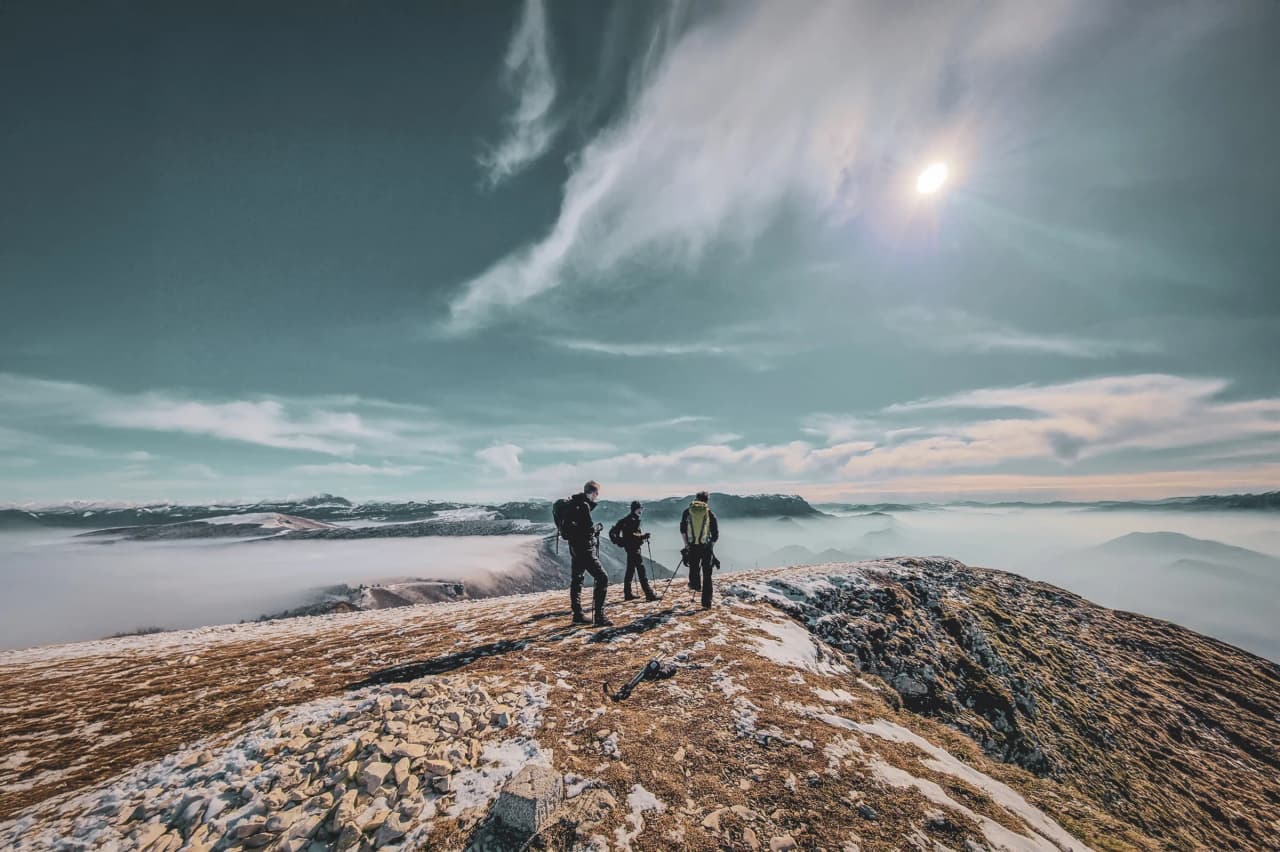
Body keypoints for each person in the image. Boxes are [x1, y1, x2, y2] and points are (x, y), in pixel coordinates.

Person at [562, 480, 612, 626]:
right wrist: (597, 528)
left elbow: (577, 528)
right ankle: (599, 616)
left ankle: (577, 614)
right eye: (597, 493)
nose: (597, 497)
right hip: (584, 549)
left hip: (574, 548)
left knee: (577, 579)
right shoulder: (583, 506)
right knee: (602, 578)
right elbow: (588, 529)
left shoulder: (573, 504)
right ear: (593, 492)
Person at [680, 491, 720, 610]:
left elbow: (682, 530)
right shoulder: (710, 514)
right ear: (707, 500)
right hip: (706, 547)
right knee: (707, 574)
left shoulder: (687, 512)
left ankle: (696, 585)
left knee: (694, 568)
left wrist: (687, 544)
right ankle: (706, 602)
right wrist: (710, 546)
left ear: (696, 499)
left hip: (692, 546)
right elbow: (716, 534)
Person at [610, 501, 656, 601]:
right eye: (640, 508)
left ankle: (628, 594)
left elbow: (630, 535)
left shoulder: (628, 519)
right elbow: (632, 535)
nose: (641, 510)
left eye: (641, 508)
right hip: (633, 548)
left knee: (630, 570)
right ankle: (649, 594)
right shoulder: (631, 520)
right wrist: (643, 536)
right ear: (636, 509)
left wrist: (621, 542)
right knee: (641, 570)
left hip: (630, 548)